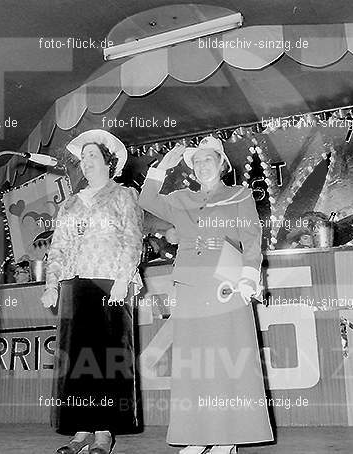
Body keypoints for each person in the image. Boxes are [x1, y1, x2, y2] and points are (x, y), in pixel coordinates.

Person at [139, 137, 273, 454]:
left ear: (222, 163)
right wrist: (162, 167)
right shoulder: (181, 198)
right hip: (189, 287)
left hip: (226, 284)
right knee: (194, 365)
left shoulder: (239, 195)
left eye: (208, 159)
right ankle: (197, 435)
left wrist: (248, 277)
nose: (202, 165)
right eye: (196, 162)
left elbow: (251, 238)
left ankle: (227, 439)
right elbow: (146, 198)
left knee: (227, 362)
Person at [40, 129, 143, 454]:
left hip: (110, 284)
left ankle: (104, 431)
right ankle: (81, 428)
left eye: (92, 156)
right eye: (82, 158)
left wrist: (124, 279)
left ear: (108, 162)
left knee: (106, 360)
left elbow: (132, 239)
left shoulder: (123, 195)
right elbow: (58, 247)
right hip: (75, 284)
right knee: (77, 361)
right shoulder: (70, 204)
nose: (86, 163)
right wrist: (52, 285)